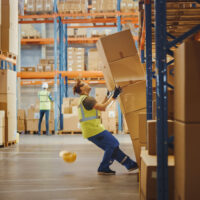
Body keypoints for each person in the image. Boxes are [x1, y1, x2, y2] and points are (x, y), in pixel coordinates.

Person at [73, 79, 138, 175]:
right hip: (94, 130)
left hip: (92, 130)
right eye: (84, 84)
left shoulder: (85, 99)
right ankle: (103, 167)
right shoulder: (87, 99)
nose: (88, 84)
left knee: (112, 147)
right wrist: (114, 97)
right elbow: (104, 108)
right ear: (82, 89)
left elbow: (100, 106)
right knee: (113, 144)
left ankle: (130, 164)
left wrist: (108, 96)